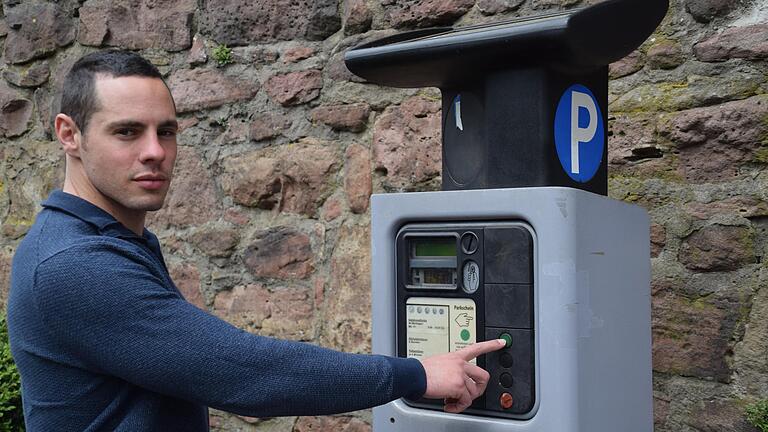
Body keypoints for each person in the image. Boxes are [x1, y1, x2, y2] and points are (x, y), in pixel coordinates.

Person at [6, 50, 504, 431]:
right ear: (69, 134)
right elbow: (243, 374)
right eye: (127, 132)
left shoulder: (102, 241)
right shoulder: (73, 263)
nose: (155, 151)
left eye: (167, 131)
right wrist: (416, 375)